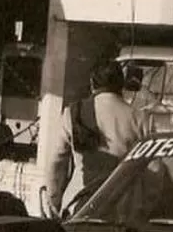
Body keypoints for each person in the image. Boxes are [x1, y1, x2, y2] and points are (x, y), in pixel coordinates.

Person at [44, 60, 151, 217]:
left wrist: (54, 200)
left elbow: (56, 162)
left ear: (92, 83)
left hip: (80, 204)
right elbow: (155, 169)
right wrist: (145, 206)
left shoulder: (73, 113)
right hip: (122, 210)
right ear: (121, 84)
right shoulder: (140, 118)